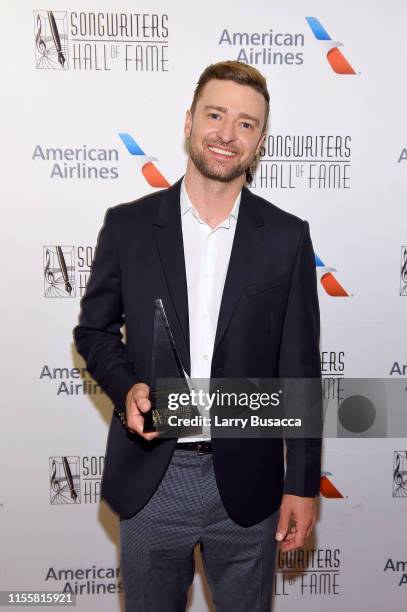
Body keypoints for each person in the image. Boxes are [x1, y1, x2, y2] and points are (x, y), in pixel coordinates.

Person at [73, 60, 322, 611]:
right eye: (215, 115)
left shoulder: (286, 238)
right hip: (153, 476)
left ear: (259, 140)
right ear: (188, 122)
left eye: (246, 124)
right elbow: (93, 332)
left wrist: (302, 484)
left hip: (250, 483)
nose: (227, 135)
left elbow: (301, 369)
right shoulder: (128, 226)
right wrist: (126, 387)